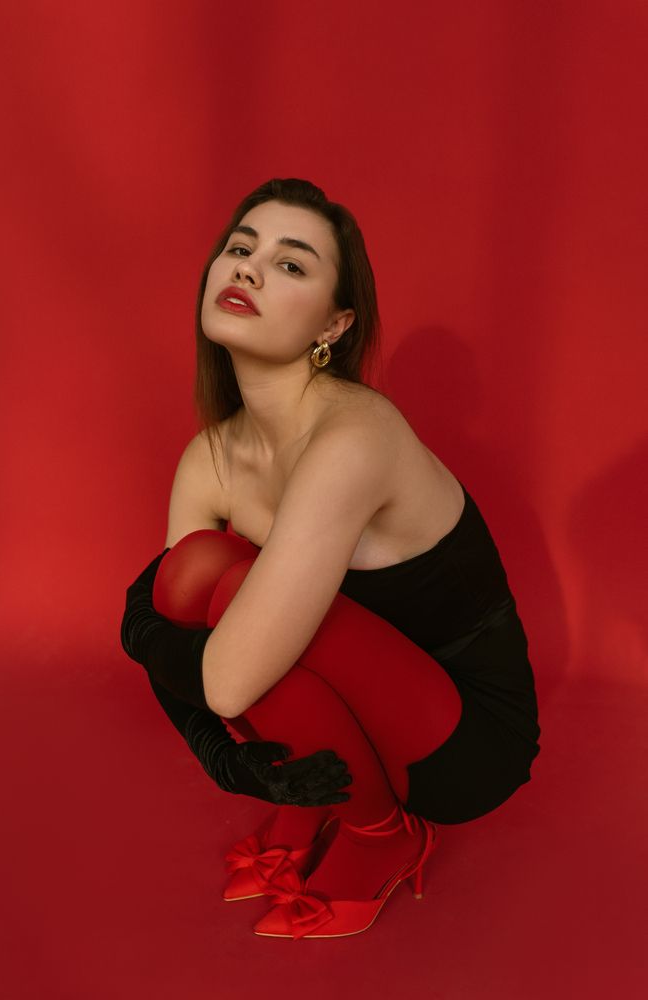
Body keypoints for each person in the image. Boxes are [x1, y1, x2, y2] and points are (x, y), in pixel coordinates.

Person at [120, 177, 540, 940]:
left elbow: (224, 677)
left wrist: (145, 638)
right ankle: (312, 799)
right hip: (362, 711)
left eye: (289, 264)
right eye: (240, 248)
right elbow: (178, 621)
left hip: (461, 741)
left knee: (229, 593)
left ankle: (382, 835)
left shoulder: (355, 438)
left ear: (335, 324)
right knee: (191, 578)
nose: (247, 269)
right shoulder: (209, 458)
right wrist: (225, 757)